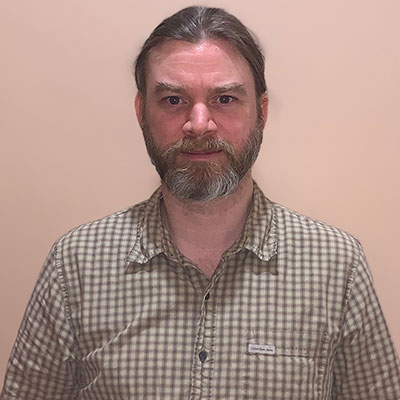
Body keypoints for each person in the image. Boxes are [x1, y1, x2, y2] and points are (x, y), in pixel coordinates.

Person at [1, 5, 399, 400]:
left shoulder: (337, 265)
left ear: (261, 113)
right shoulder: (75, 265)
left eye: (225, 98)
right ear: (142, 113)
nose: (199, 123)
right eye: (173, 100)